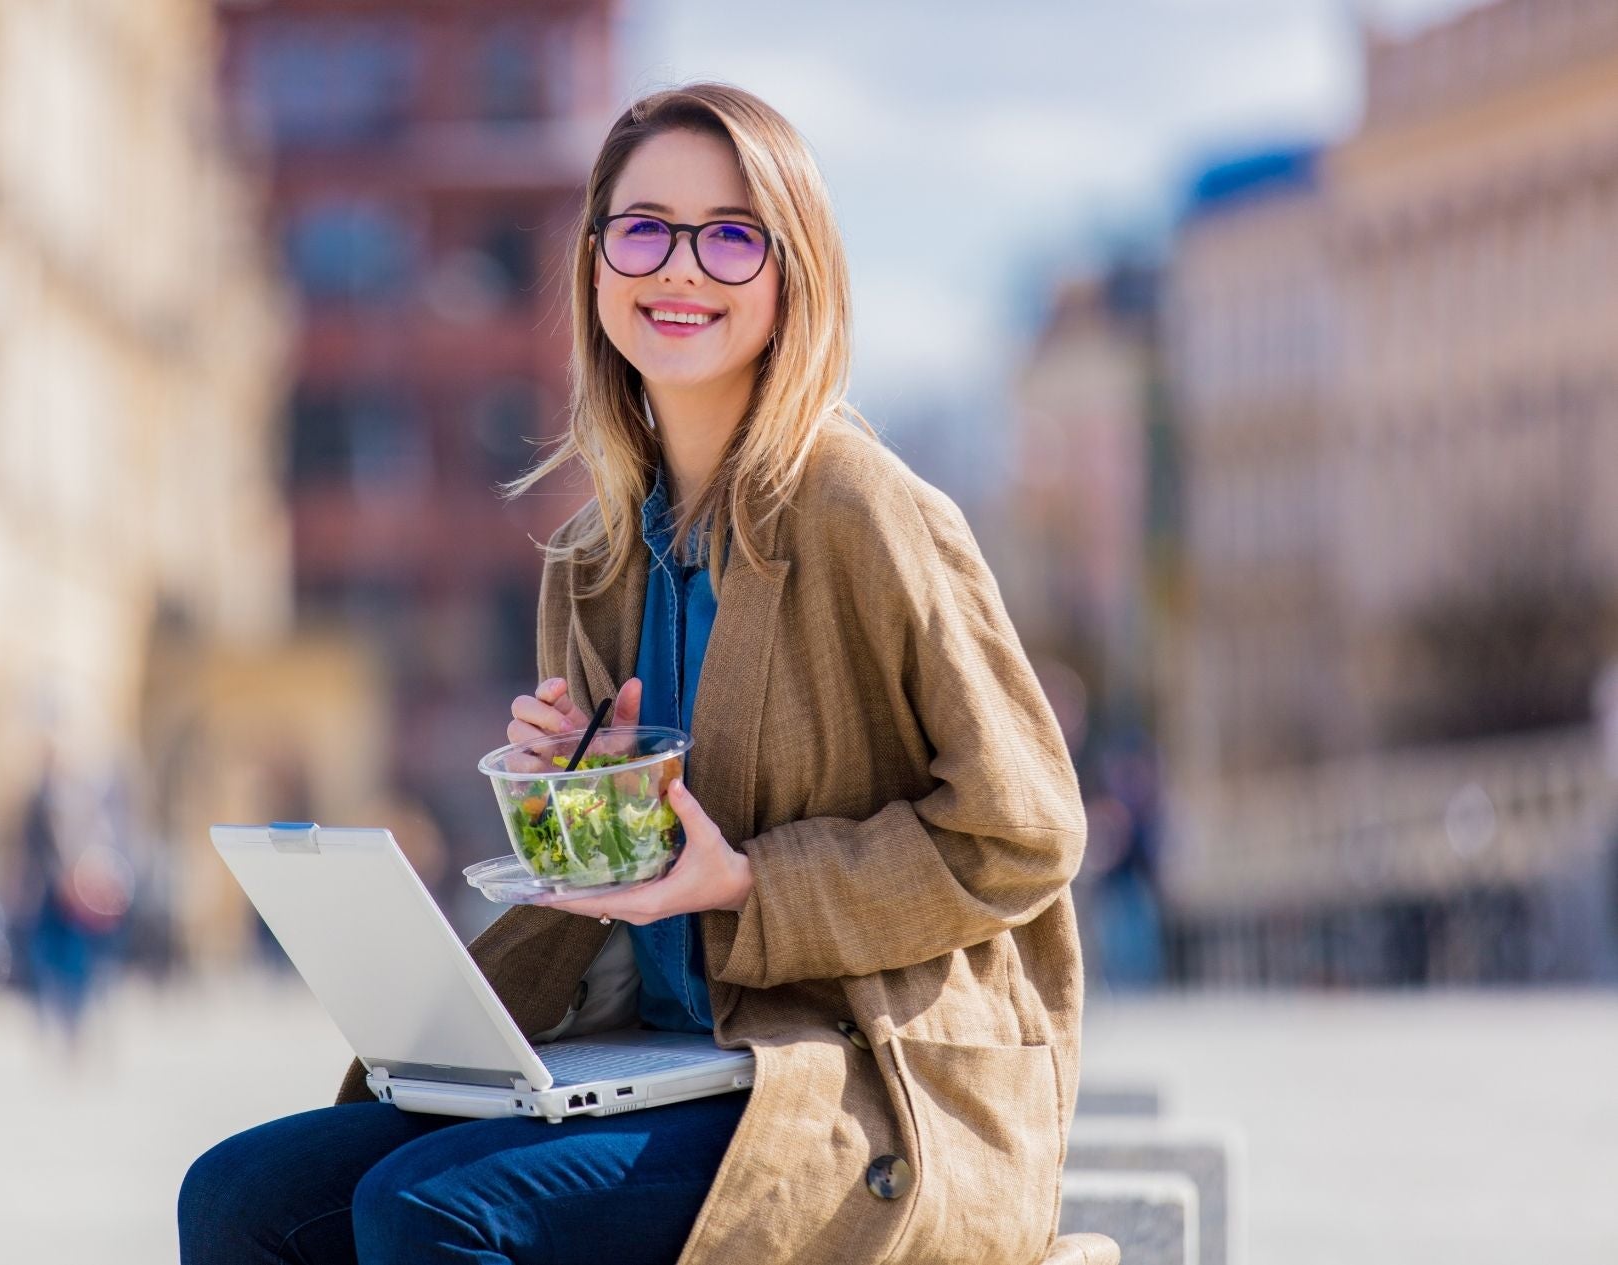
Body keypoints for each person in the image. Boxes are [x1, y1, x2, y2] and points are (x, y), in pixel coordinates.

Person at [179, 83, 1088, 1265]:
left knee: (430, 1210)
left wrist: (747, 884)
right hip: (661, 1048)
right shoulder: (594, 556)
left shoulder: (863, 508)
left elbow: (1024, 832)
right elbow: (635, 884)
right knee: (238, 1194)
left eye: (729, 234)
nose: (681, 268)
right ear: (598, 262)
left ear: (791, 269)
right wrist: (575, 808)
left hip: (849, 1072)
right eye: (644, 228)